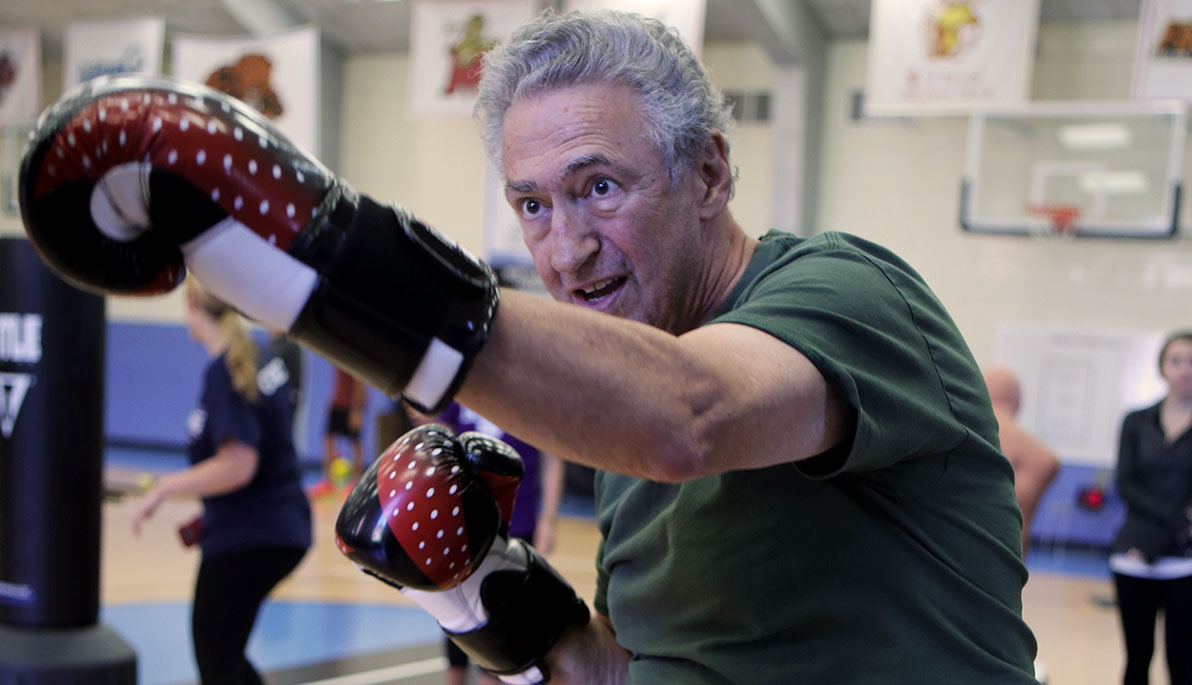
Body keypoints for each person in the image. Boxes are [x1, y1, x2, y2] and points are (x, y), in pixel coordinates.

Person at [20, 10, 1036, 682]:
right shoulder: (615, 424)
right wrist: (480, 591)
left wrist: (321, 253)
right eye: (532, 204)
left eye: (600, 186)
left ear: (710, 173)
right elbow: (614, 669)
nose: (568, 245)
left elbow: (692, 414)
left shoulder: (845, 292)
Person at [130, 279, 311, 685]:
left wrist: (163, 488)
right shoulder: (258, 357)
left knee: (216, 657)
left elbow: (238, 465)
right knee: (223, 655)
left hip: (249, 536)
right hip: (276, 528)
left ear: (192, 302)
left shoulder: (228, 369)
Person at [407, 401, 565, 685]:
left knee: (499, 617)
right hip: (464, 521)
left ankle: (490, 675)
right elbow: (441, 439)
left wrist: (549, 519)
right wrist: (423, 418)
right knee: (456, 606)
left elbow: (552, 457)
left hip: (517, 522)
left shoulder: (530, 400)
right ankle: (456, 675)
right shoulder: (464, 395)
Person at [1110, 330, 1192, 685]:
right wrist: (1177, 520)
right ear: (1162, 368)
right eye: (1176, 360)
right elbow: (1125, 484)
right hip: (1134, 554)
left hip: (1184, 561)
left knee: (1184, 660)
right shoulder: (1136, 422)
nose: (1185, 369)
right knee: (1138, 658)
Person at [984, 365, 1061, 557]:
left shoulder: (954, 443)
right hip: (1012, 563)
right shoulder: (1044, 458)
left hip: (956, 563)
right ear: (1018, 400)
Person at [312, 365, 367, 495]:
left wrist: (357, 409)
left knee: (356, 442)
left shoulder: (353, 357)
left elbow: (359, 383)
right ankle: (328, 481)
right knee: (328, 438)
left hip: (352, 405)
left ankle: (357, 482)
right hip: (338, 402)